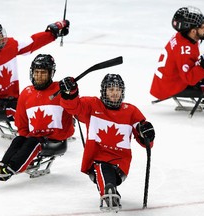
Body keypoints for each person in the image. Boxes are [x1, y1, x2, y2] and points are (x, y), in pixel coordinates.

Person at [59, 74, 155, 211]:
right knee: (101, 166)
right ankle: (108, 191)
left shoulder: (131, 111)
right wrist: (70, 92)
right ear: (103, 91)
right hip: (95, 160)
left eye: (118, 90)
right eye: (111, 90)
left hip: (120, 165)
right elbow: (73, 107)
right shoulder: (92, 105)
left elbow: (146, 141)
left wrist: (147, 133)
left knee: (105, 169)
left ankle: (110, 190)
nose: (115, 93)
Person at [0, 54, 74, 182]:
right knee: (19, 140)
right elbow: (22, 124)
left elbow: (74, 103)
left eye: (43, 73)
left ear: (51, 74)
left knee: (33, 141)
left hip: (56, 138)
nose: (39, 76)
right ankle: (3, 166)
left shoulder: (60, 89)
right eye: (36, 72)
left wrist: (72, 90)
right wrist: (23, 138)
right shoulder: (27, 93)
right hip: (35, 136)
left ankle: (9, 171)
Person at [150, 6, 204, 113]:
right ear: (193, 31)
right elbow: (190, 79)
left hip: (171, 81)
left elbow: (189, 66)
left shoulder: (185, 37)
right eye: (203, 27)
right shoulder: (185, 49)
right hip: (172, 86)